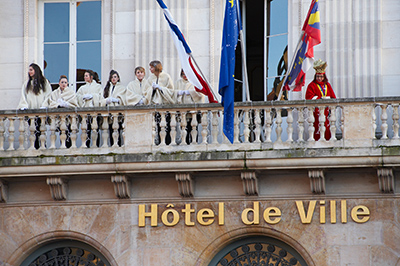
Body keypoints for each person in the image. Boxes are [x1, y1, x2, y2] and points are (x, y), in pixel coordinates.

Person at [42, 75, 78, 148]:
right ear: (59, 83)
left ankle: (68, 148)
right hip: (58, 118)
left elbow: (74, 104)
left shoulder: (71, 93)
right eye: (62, 82)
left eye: (65, 82)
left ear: (67, 84)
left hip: (68, 118)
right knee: (61, 133)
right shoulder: (54, 93)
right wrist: (58, 105)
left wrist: (66, 104)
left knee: (67, 133)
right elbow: (51, 102)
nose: (63, 84)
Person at [305, 59, 336, 140]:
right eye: (318, 76)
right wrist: (320, 98)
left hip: (326, 111)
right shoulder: (311, 85)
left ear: (324, 77)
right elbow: (308, 97)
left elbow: (333, 97)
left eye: (321, 76)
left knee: (327, 127)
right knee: (317, 127)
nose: (319, 78)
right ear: (315, 76)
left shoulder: (327, 85)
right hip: (316, 112)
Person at [174, 69, 204, 144]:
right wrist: (178, 93)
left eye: (186, 74)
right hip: (182, 110)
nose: (185, 76)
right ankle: (185, 143)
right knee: (184, 129)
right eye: (183, 74)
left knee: (193, 129)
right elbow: (173, 93)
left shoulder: (195, 82)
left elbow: (201, 94)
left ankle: (194, 143)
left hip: (193, 110)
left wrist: (191, 92)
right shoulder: (178, 82)